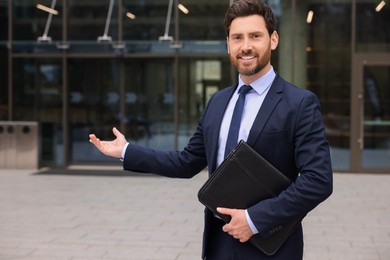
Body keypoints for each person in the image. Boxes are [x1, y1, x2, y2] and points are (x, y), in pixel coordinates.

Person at [89, 0, 333, 259]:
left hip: (271, 245)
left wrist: (253, 219)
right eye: (237, 37)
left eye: (255, 36)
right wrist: (126, 151)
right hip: (218, 244)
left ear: (273, 40)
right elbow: (186, 162)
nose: (246, 46)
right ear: (228, 44)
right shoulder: (218, 102)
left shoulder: (299, 103)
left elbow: (318, 180)